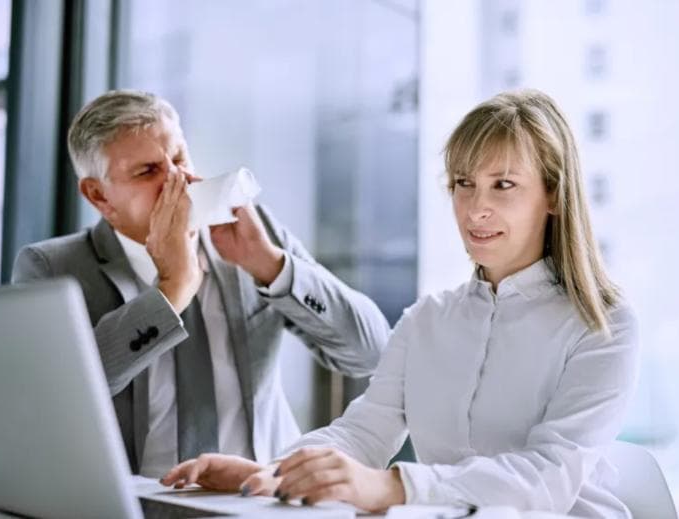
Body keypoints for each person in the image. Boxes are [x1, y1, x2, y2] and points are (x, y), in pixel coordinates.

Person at [161, 89, 640, 518]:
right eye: (463, 183)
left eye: (504, 184)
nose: (476, 209)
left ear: (553, 194)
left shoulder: (604, 325)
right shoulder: (427, 319)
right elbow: (364, 433)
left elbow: (546, 479)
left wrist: (390, 486)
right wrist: (272, 473)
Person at [11, 90, 391, 478]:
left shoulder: (254, 234)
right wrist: (171, 290)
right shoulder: (52, 269)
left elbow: (372, 352)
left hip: (258, 501)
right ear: (98, 195)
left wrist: (271, 266)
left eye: (179, 158)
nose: (179, 180)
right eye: (147, 172)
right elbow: (52, 401)